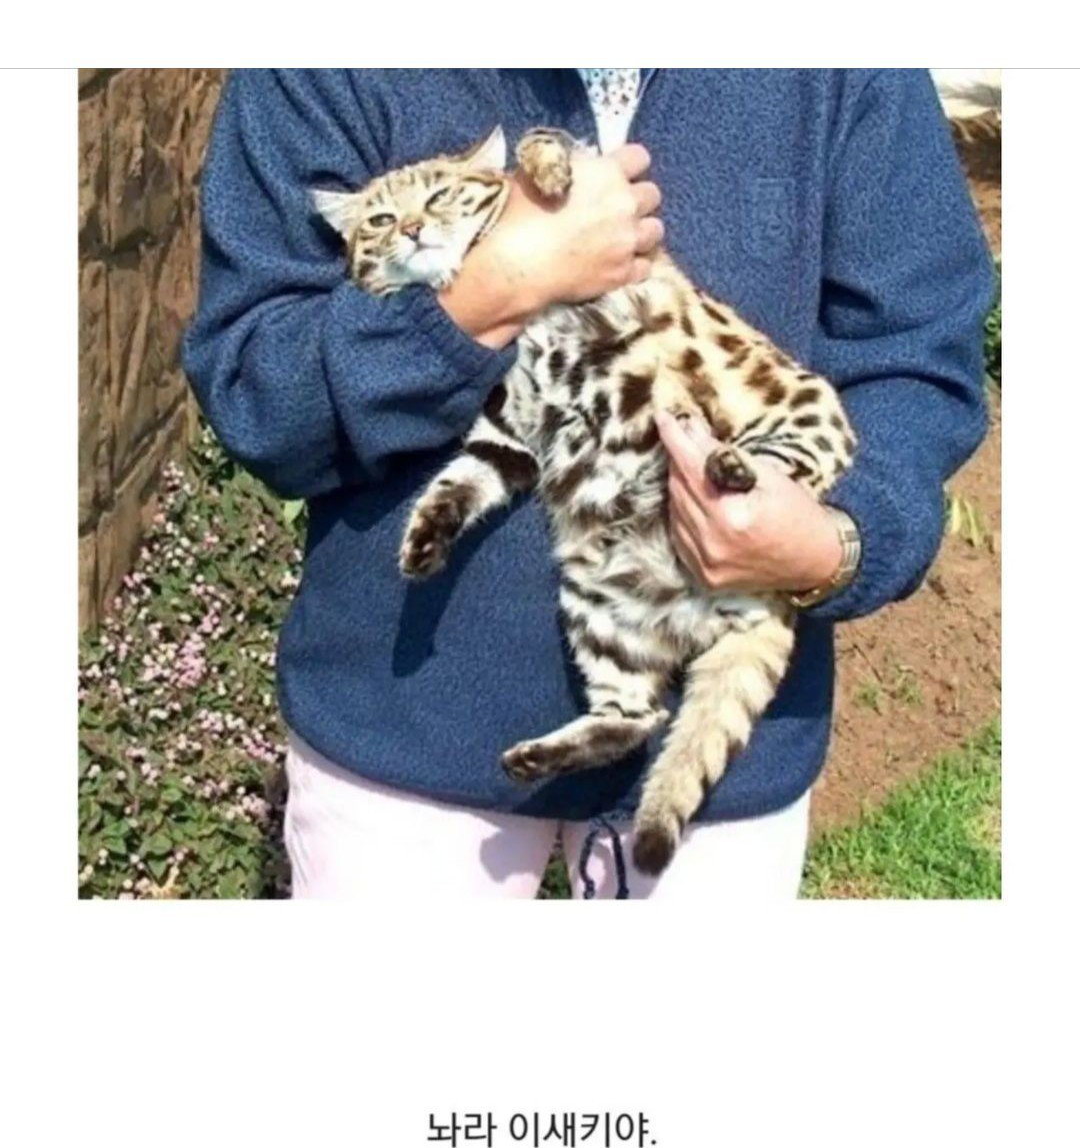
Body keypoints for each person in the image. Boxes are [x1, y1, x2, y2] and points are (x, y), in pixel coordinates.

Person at [187, 57, 988, 915]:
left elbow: (918, 355)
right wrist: (483, 297)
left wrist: (838, 544)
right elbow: (257, 396)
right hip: (402, 752)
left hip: (728, 764)